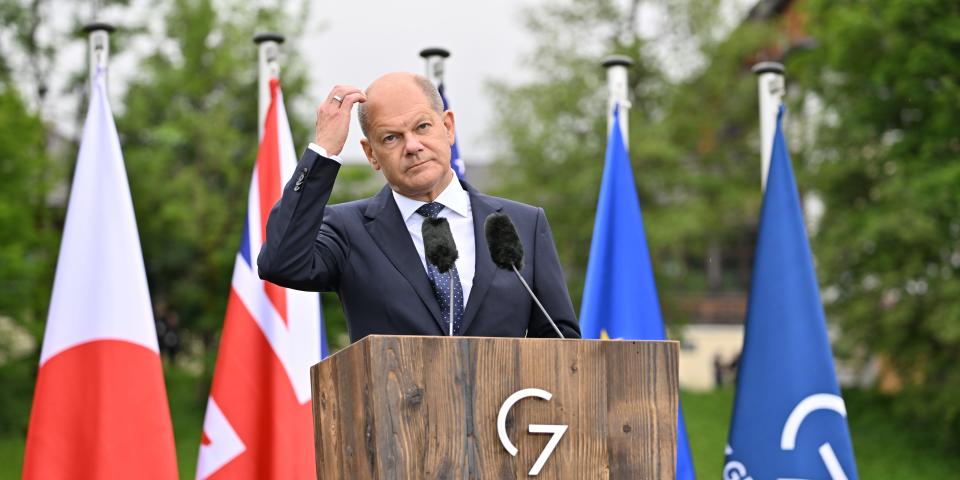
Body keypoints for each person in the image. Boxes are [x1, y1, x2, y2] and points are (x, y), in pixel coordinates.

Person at [257, 72, 580, 342]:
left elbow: (559, 340)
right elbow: (282, 263)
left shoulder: (523, 223)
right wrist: (324, 151)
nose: (412, 146)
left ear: (448, 127)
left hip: (504, 414)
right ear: (371, 154)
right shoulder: (347, 229)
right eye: (391, 138)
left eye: (422, 127)